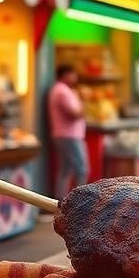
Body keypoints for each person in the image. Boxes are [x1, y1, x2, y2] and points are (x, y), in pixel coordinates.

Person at [48, 65, 87, 198]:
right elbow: (74, 114)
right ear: (66, 75)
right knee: (81, 168)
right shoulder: (62, 91)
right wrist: (83, 103)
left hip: (64, 135)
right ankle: (79, 201)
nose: (75, 77)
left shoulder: (60, 90)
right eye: (73, 74)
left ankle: (61, 200)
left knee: (65, 169)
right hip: (69, 136)